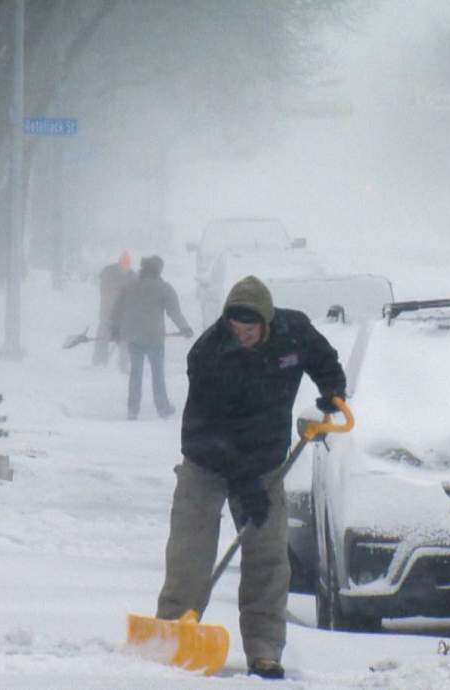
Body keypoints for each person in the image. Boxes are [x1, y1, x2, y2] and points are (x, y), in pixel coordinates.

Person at [155, 275, 345, 680]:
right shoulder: (208, 353)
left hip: (264, 462)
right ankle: (172, 635)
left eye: (249, 328)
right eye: (235, 328)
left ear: (267, 322)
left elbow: (321, 356)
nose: (241, 335)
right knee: (190, 551)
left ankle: (264, 650)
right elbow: (207, 431)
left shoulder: (293, 332)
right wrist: (246, 486)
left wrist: (332, 389)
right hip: (207, 461)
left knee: (268, 555)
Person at [110, 255, 193, 420]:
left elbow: (117, 309)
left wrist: (115, 329)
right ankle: (163, 408)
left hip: (134, 337)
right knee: (158, 374)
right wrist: (184, 327)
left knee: (136, 374)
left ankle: (132, 409)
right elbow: (174, 311)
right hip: (154, 337)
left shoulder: (130, 286)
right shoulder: (164, 288)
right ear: (158, 269)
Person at [93, 251, 136, 368]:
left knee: (125, 341)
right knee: (102, 337)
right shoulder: (109, 273)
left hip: (124, 317)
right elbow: (107, 292)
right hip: (107, 314)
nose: (125, 265)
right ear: (119, 262)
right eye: (123, 262)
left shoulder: (132, 276)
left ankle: (124, 364)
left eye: (128, 262)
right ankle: (99, 362)